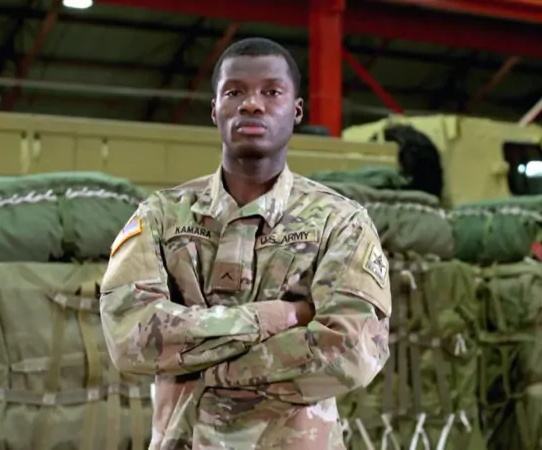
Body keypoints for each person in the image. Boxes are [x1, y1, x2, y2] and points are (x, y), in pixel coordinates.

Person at [99, 37, 392, 450]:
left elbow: (352, 350)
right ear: (215, 110)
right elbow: (130, 337)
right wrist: (282, 316)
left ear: (296, 111)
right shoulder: (162, 216)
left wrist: (207, 370)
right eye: (234, 92)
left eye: (271, 92)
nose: (252, 104)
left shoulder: (339, 223)